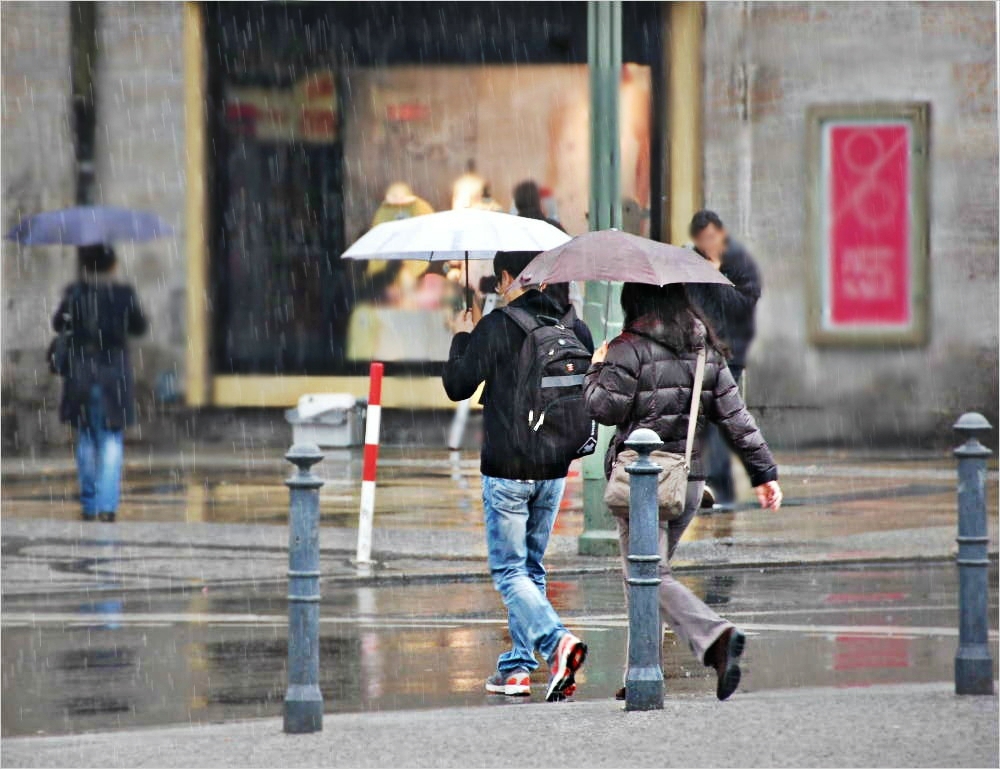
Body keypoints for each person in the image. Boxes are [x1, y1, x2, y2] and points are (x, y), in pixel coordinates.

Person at [582, 282, 782, 701]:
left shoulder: (627, 347)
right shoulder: (704, 348)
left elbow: (602, 408)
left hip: (643, 483)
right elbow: (736, 418)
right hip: (688, 482)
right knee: (645, 577)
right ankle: (641, 672)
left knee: (647, 575)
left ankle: (715, 637)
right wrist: (765, 473)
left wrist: (597, 367)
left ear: (633, 303)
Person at [442, 251, 593, 702]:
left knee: (510, 571)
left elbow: (457, 386)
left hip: (508, 468)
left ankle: (556, 642)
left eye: (499, 279)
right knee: (531, 568)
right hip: (553, 470)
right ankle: (517, 669)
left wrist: (460, 338)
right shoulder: (574, 326)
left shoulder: (499, 326)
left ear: (509, 277)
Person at [53, 245, 147, 522]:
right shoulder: (122, 294)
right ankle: (107, 506)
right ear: (113, 265)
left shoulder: (75, 293)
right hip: (112, 374)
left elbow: (58, 324)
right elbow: (139, 327)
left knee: (86, 437)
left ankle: (90, 503)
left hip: (81, 374)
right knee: (111, 438)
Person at [685, 210, 763, 511]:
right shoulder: (693, 260)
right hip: (699, 350)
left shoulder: (739, 262)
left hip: (730, 352)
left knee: (719, 419)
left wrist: (716, 278)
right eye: (701, 240)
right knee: (702, 420)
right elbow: (691, 301)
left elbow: (743, 306)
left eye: (711, 237)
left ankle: (719, 486)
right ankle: (706, 484)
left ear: (720, 233)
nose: (707, 245)